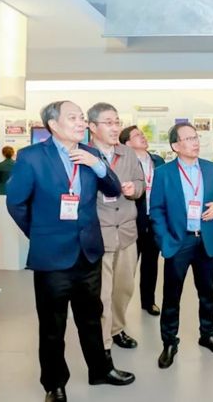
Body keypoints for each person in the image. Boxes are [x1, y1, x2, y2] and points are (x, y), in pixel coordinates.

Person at [6, 101, 134, 402]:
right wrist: (40, 233)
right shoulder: (31, 157)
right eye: (73, 117)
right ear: (53, 124)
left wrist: (98, 166)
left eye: (82, 117)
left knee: (92, 317)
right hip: (52, 257)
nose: (81, 123)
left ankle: (100, 370)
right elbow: (17, 204)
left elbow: (113, 189)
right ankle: (54, 384)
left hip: (88, 252)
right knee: (53, 325)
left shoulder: (91, 154)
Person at [149, 122, 213, 369]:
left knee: (208, 293)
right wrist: (165, 241)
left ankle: (208, 335)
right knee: (172, 296)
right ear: (175, 146)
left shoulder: (210, 168)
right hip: (178, 241)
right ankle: (169, 342)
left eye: (196, 137)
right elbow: (156, 211)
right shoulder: (163, 173)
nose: (195, 142)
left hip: (206, 240)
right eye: (188, 138)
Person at [87, 103, 144, 359]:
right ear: (92, 126)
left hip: (127, 234)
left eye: (117, 122)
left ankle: (117, 328)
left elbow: (140, 182)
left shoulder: (127, 153)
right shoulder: (83, 155)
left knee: (124, 288)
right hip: (101, 234)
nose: (114, 128)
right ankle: (103, 342)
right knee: (103, 293)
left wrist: (135, 188)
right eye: (108, 123)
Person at [119, 125, 166, 317]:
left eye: (142, 134)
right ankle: (120, 307)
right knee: (127, 267)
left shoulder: (158, 161)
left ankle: (148, 301)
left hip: (154, 220)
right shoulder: (124, 163)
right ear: (127, 143)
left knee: (151, 263)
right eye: (137, 135)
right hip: (132, 221)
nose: (143, 137)